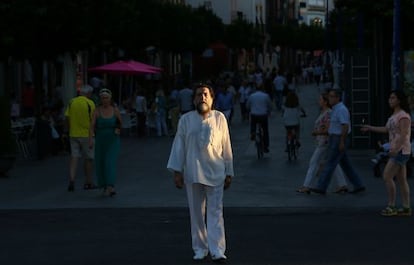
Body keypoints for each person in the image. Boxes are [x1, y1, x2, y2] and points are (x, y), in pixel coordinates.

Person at [167, 84, 234, 262]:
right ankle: (200, 248)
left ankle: (217, 250)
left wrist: (229, 172)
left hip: (216, 172)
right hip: (193, 172)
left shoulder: (220, 118)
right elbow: (179, 146)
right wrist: (177, 171)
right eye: (199, 95)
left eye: (206, 94)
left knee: (215, 212)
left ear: (212, 99)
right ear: (194, 99)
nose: (202, 97)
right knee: (196, 212)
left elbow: (226, 147)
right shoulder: (186, 120)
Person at [361, 90, 411, 216]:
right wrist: (370, 128)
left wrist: (395, 149)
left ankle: (391, 205)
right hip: (398, 150)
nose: (390, 100)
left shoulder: (403, 116)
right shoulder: (394, 116)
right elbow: (386, 129)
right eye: (390, 98)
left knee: (387, 176)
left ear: (399, 100)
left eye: (393, 98)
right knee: (401, 179)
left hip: (400, 150)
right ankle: (406, 207)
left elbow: (404, 134)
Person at [310, 89, 366, 195]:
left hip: (338, 138)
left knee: (330, 162)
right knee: (345, 164)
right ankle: (358, 184)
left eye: (331, 96)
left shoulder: (341, 109)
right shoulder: (336, 109)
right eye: (329, 96)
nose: (329, 99)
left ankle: (321, 186)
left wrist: (341, 141)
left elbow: (345, 126)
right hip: (334, 138)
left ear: (337, 98)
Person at [297, 92, 348, 194]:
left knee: (313, 162)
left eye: (320, 100)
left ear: (325, 102)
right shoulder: (325, 112)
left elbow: (329, 129)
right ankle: (342, 184)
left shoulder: (328, 113)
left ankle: (307, 185)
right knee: (333, 163)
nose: (318, 101)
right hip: (324, 141)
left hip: (324, 142)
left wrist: (317, 132)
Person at [89, 88, 121, 197]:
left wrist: (118, 129)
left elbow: (120, 123)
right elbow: (92, 126)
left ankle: (110, 186)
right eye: (103, 98)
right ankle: (103, 185)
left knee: (109, 162)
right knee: (100, 162)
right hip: (100, 140)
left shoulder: (115, 110)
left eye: (107, 98)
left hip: (112, 140)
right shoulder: (97, 111)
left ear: (110, 98)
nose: (105, 100)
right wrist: (91, 139)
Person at [64, 84, 96, 191]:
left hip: (73, 134)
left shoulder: (71, 102)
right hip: (87, 135)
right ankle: (88, 182)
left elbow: (67, 117)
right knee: (89, 158)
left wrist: (68, 130)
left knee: (74, 157)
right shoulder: (90, 103)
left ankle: (72, 180)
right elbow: (94, 120)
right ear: (88, 93)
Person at [246, 83, 273, 153]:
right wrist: (269, 111)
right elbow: (270, 105)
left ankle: (253, 133)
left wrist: (249, 110)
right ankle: (266, 146)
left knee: (253, 124)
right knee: (265, 130)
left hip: (254, 115)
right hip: (263, 115)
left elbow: (247, 105)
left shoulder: (252, 96)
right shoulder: (266, 96)